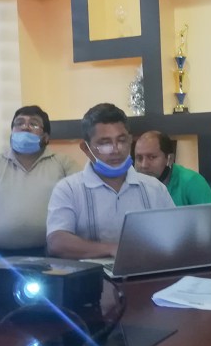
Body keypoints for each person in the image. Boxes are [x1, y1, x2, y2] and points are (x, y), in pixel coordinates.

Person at [47, 103, 173, 259]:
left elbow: (173, 235)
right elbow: (57, 242)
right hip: (90, 273)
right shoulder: (68, 189)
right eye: (105, 143)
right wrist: (112, 249)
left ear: (130, 141)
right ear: (86, 148)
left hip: (146, 269)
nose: (116, 150)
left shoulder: (155, 188)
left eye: (122, 141)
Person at [0, 105, 80, 262]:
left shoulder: (64, 163)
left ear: (45, 137)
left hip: (49, 253)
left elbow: (83, 201)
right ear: (12, 133)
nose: (25, 127)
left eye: (34, 124)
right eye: (19, 123)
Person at [133, 131, 211, 206]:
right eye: (139, 158)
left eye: (152, 157)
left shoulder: (192, 182)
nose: (144, 165)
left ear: (170, 159)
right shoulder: (131, 186)